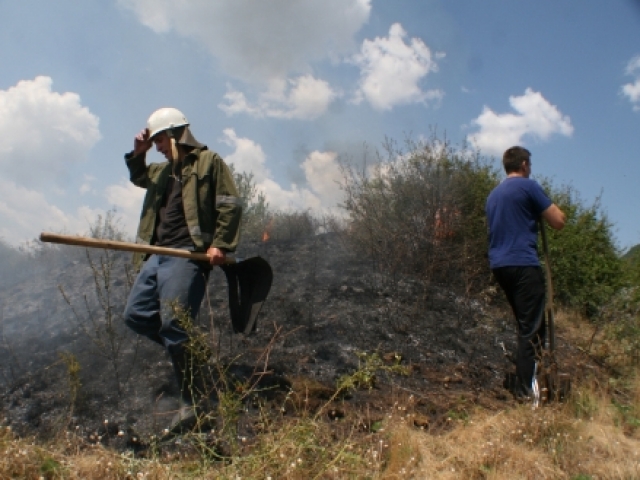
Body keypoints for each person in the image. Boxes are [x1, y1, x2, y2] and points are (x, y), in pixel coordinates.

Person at [123, 107, 242, 431]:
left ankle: (194, 401)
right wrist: (139, 153)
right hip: (155, 255)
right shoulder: (161, 173)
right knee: (136, 316)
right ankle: (199, 360)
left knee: (175, 325)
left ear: (176, 134)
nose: (158, 146)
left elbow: (230, 203)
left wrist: (221, 243)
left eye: (160, 139)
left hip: (187, 256)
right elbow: (138, 177)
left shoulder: (209, 162)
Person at [485, 146, 565, 403]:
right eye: (529, 164)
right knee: (532, 330)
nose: (530, 168)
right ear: (523, 164)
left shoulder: (493, 195)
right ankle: (526, 394)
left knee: (525, 326)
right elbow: (558, 221)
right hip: (523, 264)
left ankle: (527, 384)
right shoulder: (529, 187)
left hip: (500, 265)